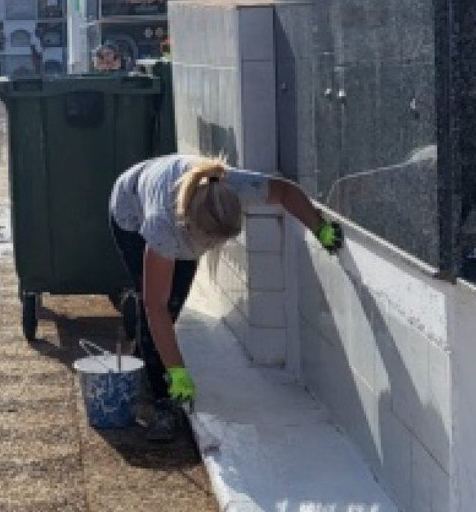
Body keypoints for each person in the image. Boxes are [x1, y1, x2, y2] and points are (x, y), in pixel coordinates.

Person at [110, 154, 342, 440]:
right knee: (160, 306)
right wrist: (178, 371)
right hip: (129, 209)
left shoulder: (232, 189)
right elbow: (155, 307)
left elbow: (285, 191)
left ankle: (147, 356)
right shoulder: (163, 226)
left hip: (180, 208)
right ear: (189, 224)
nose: (212, 248)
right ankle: (162, 402)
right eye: (209, 240)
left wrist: (320, 227)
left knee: (171, 301)